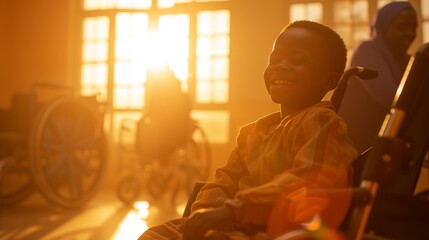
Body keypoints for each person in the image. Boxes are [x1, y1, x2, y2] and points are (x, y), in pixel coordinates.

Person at [138, 20, 357, 240]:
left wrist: (233, 211)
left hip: (277, 231)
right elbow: (225, 181)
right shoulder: (254, 132)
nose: (281, 66)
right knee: (154, 235)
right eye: (275, 59)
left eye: (298, 60)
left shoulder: (321, 123)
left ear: (329, 81)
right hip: (232, 224)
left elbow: (308, 182)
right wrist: (204, 214)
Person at [337, 1, 418, 154]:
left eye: (413, 27)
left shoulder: (405, 60)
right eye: (401, 27)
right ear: (384, 27)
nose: (409, 33)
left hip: (379, 142)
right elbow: (391, 98)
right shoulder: (367, 51)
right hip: (355, 144)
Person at [136, 66, 191, 165]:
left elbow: (151, 109)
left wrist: (144, 119)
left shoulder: (164, 91)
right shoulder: (181, 96)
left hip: (169, 133)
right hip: (175, 132)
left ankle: (146, 157)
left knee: (146, 128)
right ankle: (148, 157)